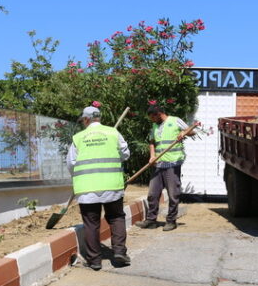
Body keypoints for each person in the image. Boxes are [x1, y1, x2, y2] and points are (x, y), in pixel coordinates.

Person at [67, 106, 131, 271]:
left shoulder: (78, 138)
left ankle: (95, 260)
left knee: (91, 223)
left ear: (86, 119)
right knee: (116, 217)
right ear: (99, 118)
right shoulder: (113, 133)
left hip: (87, 188)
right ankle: (119, 252)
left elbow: (71, 164)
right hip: (112, 185)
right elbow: (126, 154)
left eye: (83, 121)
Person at [136, 105, 198, 231]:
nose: (152, 120)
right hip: (158, 163)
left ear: (158, 113)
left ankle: (171, 221)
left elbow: (192, 131)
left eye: (153, 117)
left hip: (172, 163)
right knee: (153, 194)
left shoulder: (175, 120)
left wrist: (182, 133)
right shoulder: (154, 126)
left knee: (173, 194)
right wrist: (152, 156)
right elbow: (152, 142)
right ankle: (151, 220)